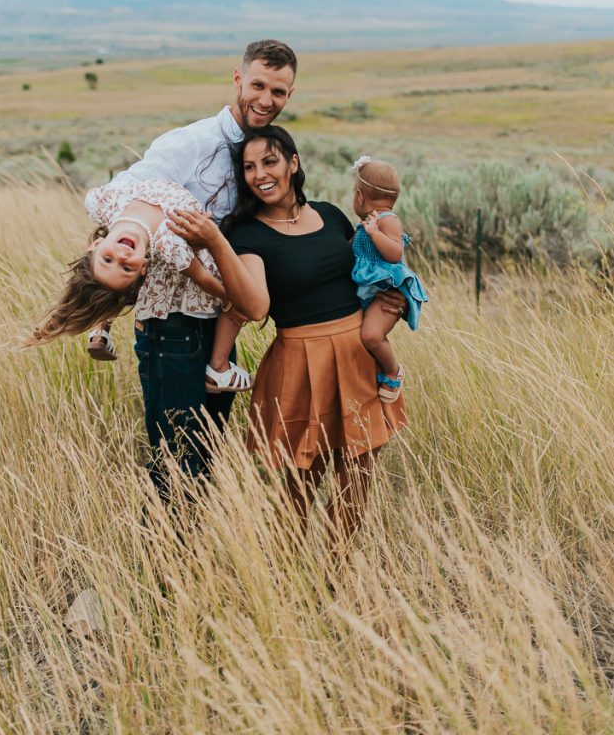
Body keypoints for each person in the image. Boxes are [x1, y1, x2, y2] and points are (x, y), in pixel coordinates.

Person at [168, 126, 408, 542]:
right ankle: (288, 574)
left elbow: (370, 270)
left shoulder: (331, 214)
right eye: (249, 167)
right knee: (300, 486)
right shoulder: (248, 235)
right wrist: (216, 241)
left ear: (293, 163)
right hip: (302, 362)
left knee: (357, 484)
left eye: (269, 161)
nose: (259, 174)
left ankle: (337, 573)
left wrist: (397, 296)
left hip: (358, 356)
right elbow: (255, 305)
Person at [90, 39, 298, 491]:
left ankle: (192, 540)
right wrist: (126, 251)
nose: (266, 100)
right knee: (176, 465)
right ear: (238, 78)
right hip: (172, 327)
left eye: (278, 92)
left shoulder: (261, 155)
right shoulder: (191, 142)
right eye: (258, 85)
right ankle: (160, 539)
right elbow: (122, 194)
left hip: (219, 326)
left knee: (203, 461)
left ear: (290, 95)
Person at [29, 177, 254, 395]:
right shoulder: (170, 243)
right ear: (144, 267)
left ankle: (101, 327)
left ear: (95, 244)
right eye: (127, 268)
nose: (121, 256)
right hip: (196, 290)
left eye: (107, 259)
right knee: (236, 306)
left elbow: (96, 201)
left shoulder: (106, 204)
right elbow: (202, 277)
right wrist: (232, 298)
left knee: (108, 288)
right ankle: (218, 368)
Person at [351, 155, 428, 403]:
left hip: (387, 289)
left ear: (360, 196)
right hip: (370, 289)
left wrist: (374, 233)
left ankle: (393, 371)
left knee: (371, 335)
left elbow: (395, 254)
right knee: (359, 335)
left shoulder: (388, 221)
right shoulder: (368, 222)